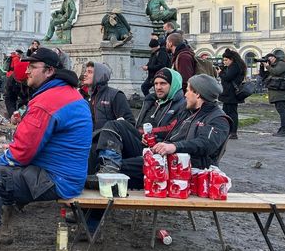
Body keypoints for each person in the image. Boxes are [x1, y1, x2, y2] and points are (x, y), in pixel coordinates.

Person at [0, 48, 92, 251]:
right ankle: (3, 230)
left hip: (57, 179)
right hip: (64, 174)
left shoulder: (49, 100)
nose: (27, 72)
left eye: (33, 67)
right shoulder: (65, 92)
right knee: (3, 173)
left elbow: (22, 152)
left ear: (49, 71)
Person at [96, 73, 229, 187]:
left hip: (182, 168)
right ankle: (109, 166)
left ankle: (94, 205)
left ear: (198, 94)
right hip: (163, 157)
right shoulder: (188, 112)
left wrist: (174, 147)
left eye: (188, 90)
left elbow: (206, 144)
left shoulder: (218, 119)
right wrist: (156, 141)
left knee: (110, 168)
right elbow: (171, 136)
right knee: (116, 125)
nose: (185, 94)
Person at [92, 68, 186, 182]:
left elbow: (171, 128)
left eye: (163, 83)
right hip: (143, 144)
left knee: (116, 126)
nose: (158, 87)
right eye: (156, 83)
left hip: (161, 149)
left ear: (174, 85)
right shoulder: (150, 102)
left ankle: (109, 171)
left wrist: (145, 133)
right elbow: (137, 126)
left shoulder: (182, 105)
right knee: (105, 134)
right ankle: (107, 167)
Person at [82, 60, 136, 175]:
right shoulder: (83, 97)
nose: (85, 74)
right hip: (88, 142)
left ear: (99, 75)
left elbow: (129, 123)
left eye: (90, 72)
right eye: (85, 71)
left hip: (109, 145)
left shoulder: (115, 95)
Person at [258, 52, 285, 136]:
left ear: (274, 57)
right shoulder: (271, 66)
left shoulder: (281, 64)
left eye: (270, 58)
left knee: (282, 111)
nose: (269, 60)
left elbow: (276, 72)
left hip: (281, 93)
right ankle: (283, 128)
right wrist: (262, 66)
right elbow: (263, 75)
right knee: (281, 111)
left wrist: (267, 66)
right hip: (276, 93)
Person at [217, 48, 246, 140]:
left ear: (231, 59)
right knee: (227, 112)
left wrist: (220, 73)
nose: (224, 62)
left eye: (226, 60)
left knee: (232, 113)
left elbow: (228, 77)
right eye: (223, 60)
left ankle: (233, 132)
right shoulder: (233, 66)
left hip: (231, 94)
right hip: (229, 93)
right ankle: (228, 130)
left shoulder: (235, 66)